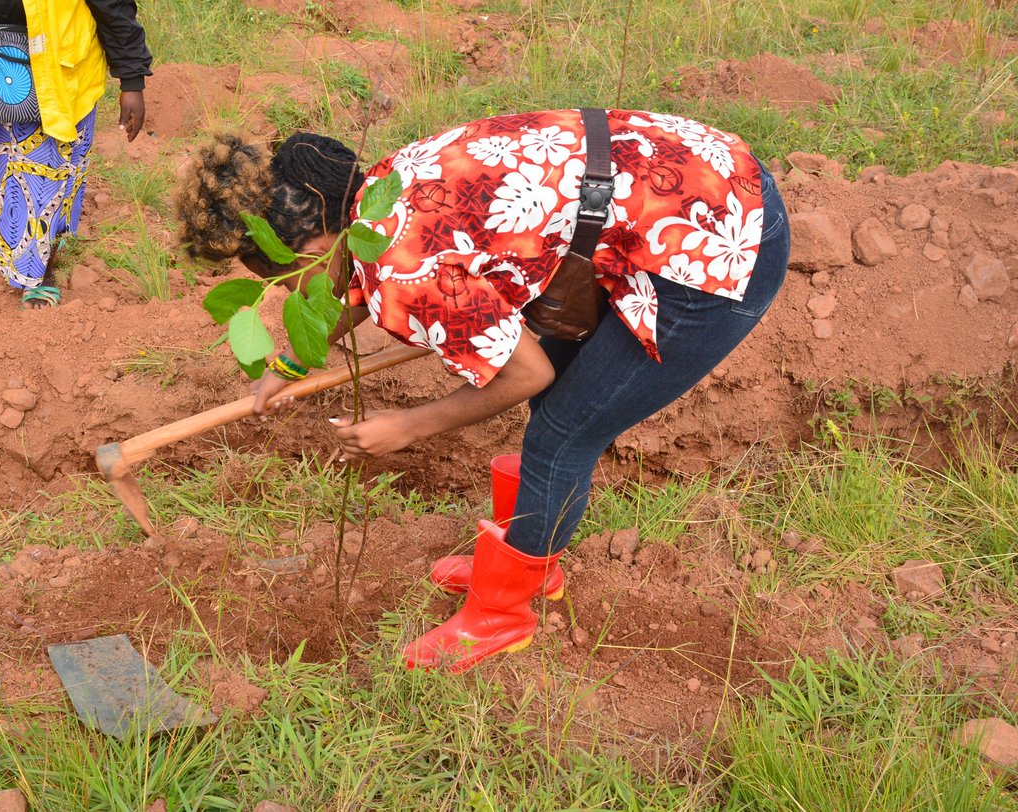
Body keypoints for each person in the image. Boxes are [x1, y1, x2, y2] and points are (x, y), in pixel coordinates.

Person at [176, 109, 790, 672]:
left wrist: (407, 426)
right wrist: (289, 364)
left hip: (721, 241)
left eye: (283, 279)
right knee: (560, 413)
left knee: (562, 430)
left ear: (314, 243)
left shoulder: (405, 265)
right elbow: (351, 280)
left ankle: (502, 614)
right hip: (692, 180)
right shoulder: (377, 194)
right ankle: (529, 565)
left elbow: (526, 374)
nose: (285, 293)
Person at [0, 0, 153, 308]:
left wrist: (131, 80)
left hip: (53, 72)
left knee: (45, 181)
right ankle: (31, 246)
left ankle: (38, 274)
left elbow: (112, 5)